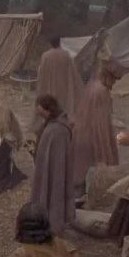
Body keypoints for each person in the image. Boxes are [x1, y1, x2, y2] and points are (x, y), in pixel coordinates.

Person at [72, 61, 122, 199]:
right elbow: (102, 122)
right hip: (91, 136)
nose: (113, 84)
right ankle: (83, 198)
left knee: (79, 167)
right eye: (113, 80)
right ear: (108, 77)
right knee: (88, 169)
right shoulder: (102, 92)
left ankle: (77, 196)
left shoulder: (91, 86)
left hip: (79, 132)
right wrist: (105, 147)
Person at [31, 95, 75, 235]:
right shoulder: (52, 125)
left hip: (56, 171)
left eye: (42, 112)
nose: (41, 115)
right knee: (45, 190)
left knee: (55, 193)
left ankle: (54, 223)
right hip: (47, 168)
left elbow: (57, 156)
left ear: (49, 109)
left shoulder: (58, 130)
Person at [35, 36, 83, 133]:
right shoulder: (66, 55)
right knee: (63, 106)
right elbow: (72, 72)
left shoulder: (46, 56)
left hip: (49, 85)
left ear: (50, 43)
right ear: (59, 42)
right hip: (63, 86)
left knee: (51, 105)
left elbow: (41, 72)